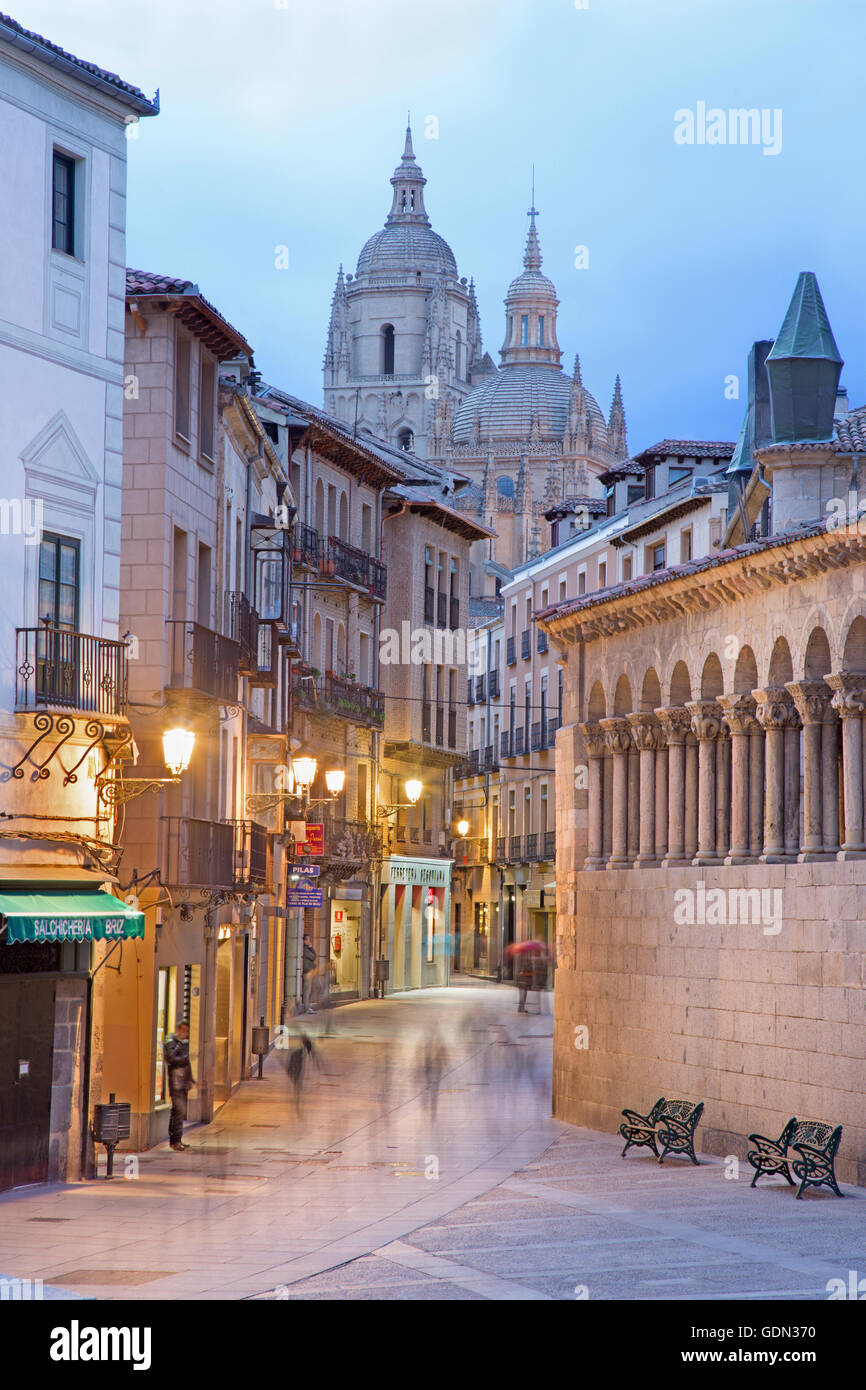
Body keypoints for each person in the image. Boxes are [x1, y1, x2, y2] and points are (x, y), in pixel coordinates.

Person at [164, 1021, 195, 1152]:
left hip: (182, 1083)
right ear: (178, 1030)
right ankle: (175, 1141)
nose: (185, 1033)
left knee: (178, 1112)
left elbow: (187, 1063)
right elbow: (170, 1059)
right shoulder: (172, 1042)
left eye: (187, 1031)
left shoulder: (182, 1043)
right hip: (176, 1083)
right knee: (179, 1111)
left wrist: (191, 1080)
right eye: (183, 1030)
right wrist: (182, 1056)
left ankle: (177, 1139)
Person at [301, 931, 317, 1013]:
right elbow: (313, 956)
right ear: (304, 941)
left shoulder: (307, 948)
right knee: (307, 990)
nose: (309, 941)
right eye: (307, 940)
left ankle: (308, 1005)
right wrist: (311, 948)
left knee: (317, 986)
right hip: (307, 972)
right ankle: (307, 1008)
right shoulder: (304, 949)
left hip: (311, 972)